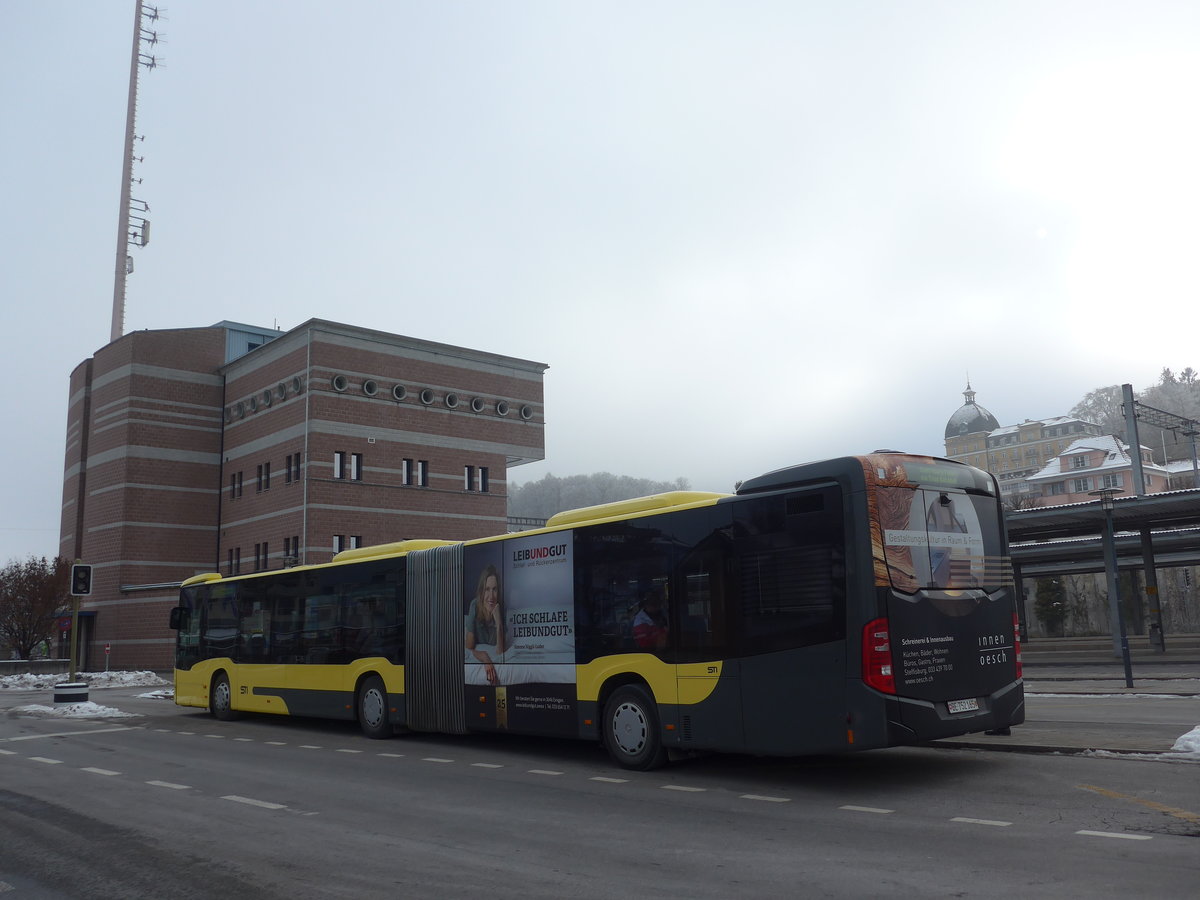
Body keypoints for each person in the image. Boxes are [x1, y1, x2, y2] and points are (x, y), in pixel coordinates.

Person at [465, 565, 506, 684]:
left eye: (494, 589)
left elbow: (500, 652)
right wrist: (485, 657)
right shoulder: (474, 605)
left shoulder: (501, 608)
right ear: (481, 592)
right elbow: (468, 648)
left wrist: (499, 624)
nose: (491, 596)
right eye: (487, 589)